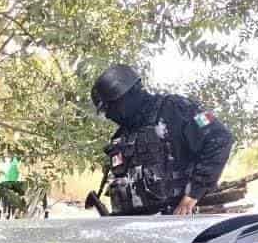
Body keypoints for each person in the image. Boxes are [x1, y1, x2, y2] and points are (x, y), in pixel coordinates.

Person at [91, 64, 234, 216]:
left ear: (127, 95)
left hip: (179, 224)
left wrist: (191, 196)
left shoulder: (178, 109)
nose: (108, 115)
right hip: (137, 230)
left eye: (109, 107)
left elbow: (221, 137)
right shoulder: (122, 135)